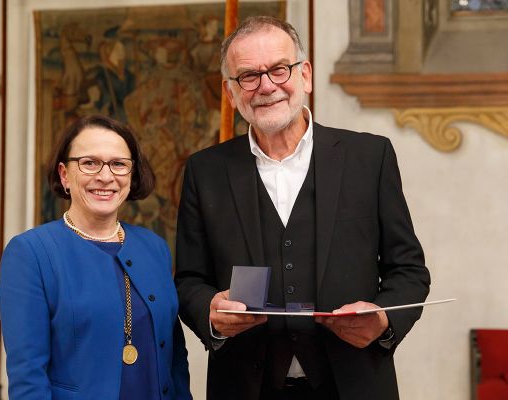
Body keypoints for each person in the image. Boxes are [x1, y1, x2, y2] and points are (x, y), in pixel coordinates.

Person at [175, 16, 431, 400]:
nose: (266, 86)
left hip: (354, 384)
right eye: (248, 76)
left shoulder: (369, 156)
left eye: (279, 70)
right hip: (246, 385)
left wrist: (383, 320)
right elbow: (188, 280)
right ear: (231, 94)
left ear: (305, 75)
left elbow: (408, 269)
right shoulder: (204, 171)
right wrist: (209, 311)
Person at [0, 115, 192, 400]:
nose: (105, 176)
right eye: (89, 163)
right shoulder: (31, 253)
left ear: (132, 174)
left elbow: (174, 356)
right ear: (65, 175)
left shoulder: (155, 248)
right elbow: (28, 376)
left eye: (118, 164)